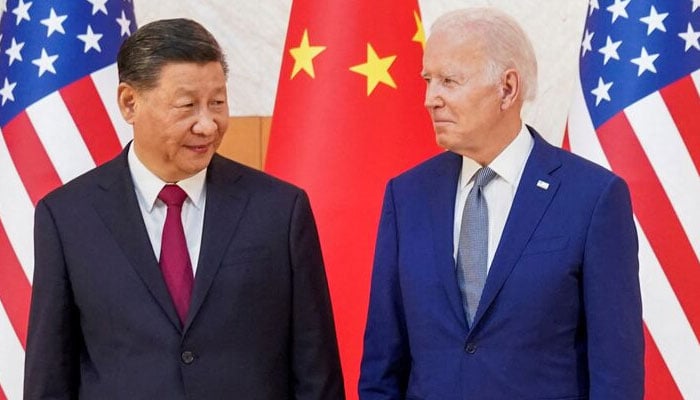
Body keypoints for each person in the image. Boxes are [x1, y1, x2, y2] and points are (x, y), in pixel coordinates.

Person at [24, 18, 344, 400]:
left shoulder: (280, 210)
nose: (207, 125)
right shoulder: (67, 217)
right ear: (130, 102)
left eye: (218, 103)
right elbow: (51, 375)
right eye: (187, 105)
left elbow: (316, 371)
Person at [359, 7, 643, 400]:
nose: (429, 99)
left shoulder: (593, 198)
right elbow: (382, 364)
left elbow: (617, 375)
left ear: (507, 88)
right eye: (428, 80)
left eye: (449, 81)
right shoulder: (406, 196)